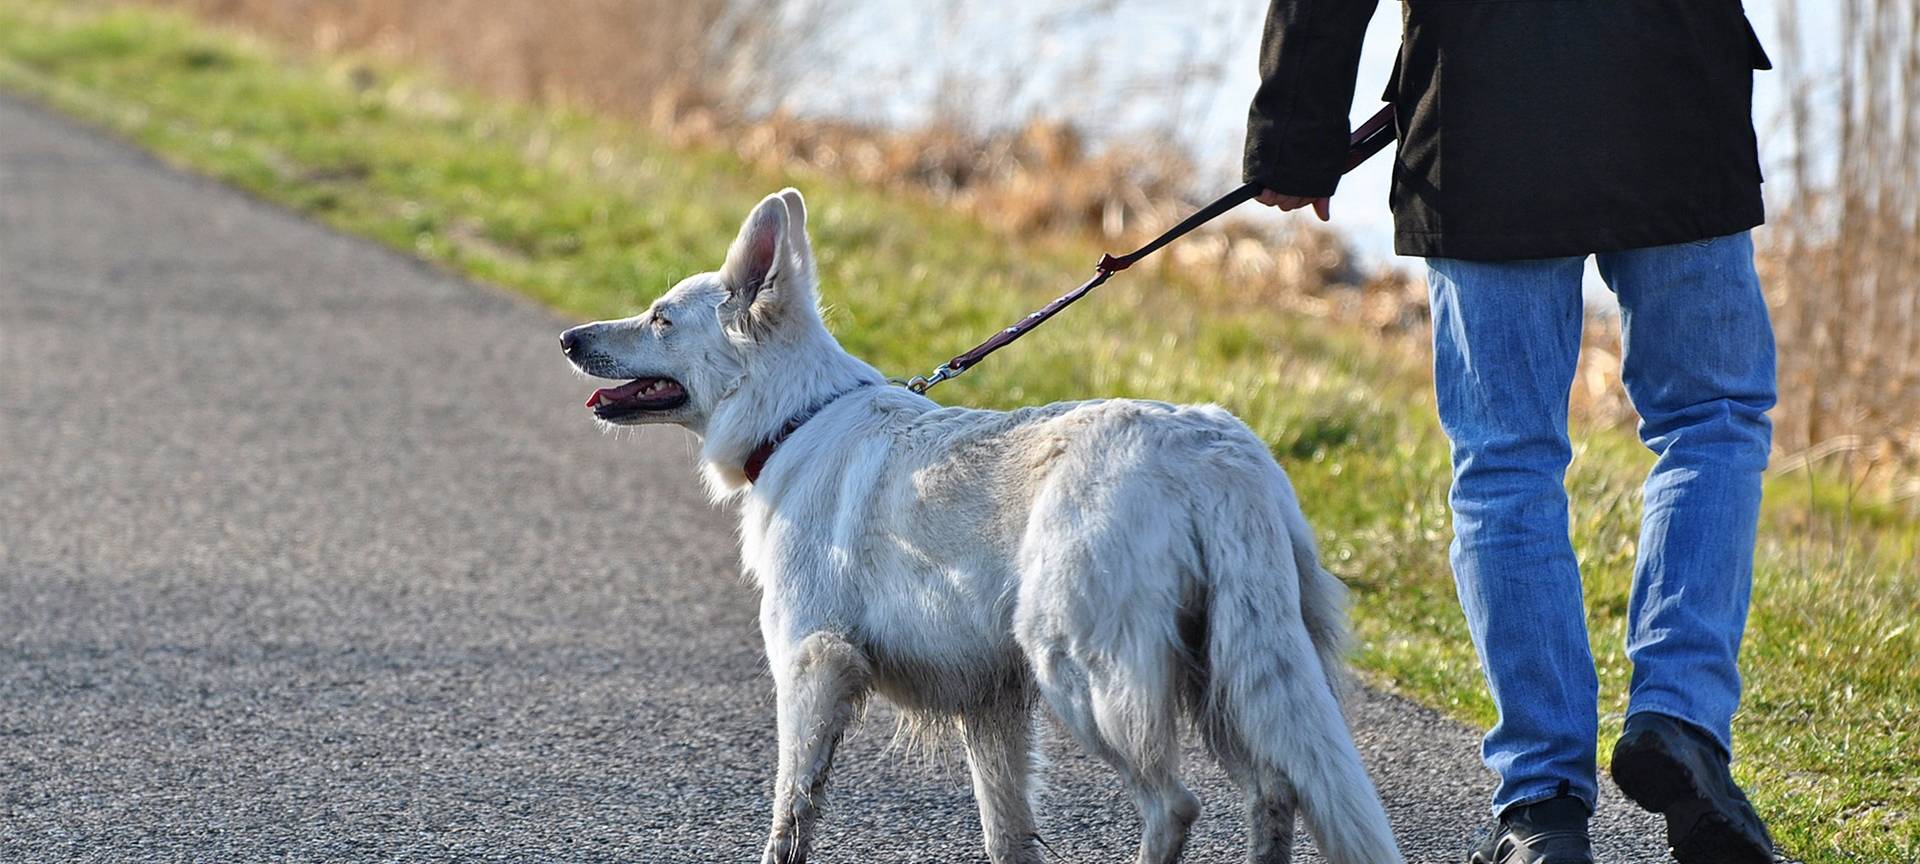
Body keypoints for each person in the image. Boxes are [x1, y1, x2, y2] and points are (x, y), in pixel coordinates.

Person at [1243, 3, 1779, 863]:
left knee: (1506, 461)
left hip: (1484, 110)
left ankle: (1542, 807)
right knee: (1709, 419)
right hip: (1673, 86)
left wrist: (1294, 127)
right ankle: (1679, 719)